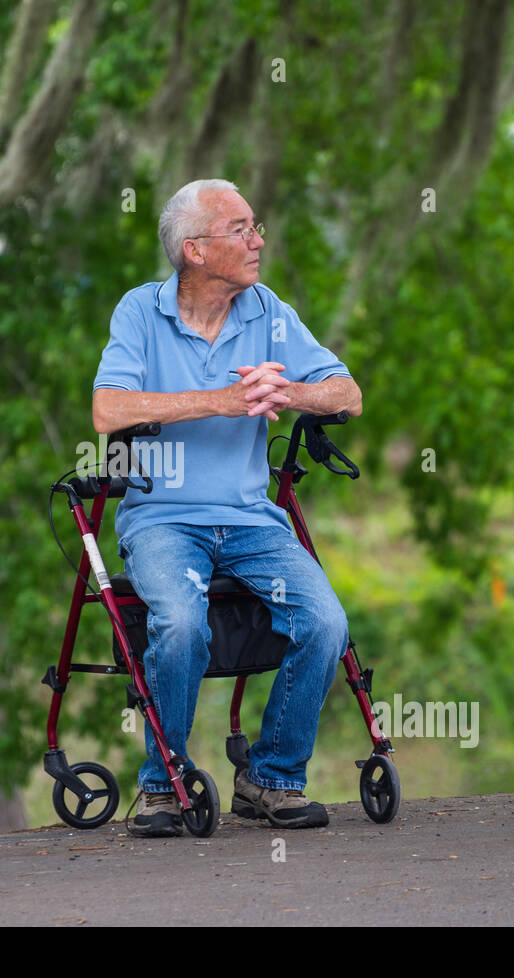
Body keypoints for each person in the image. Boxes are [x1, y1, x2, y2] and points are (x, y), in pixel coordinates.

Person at [92, 179, 362, 837]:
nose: (258, 240)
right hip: (162, 520)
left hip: (249, 520)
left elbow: (348, 394)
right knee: (181, 623)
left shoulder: (267, 310)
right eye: (241, 229)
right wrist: (220, 399)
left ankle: (271, 777)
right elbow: (109, 411)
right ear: (195, 250)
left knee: (326, 622)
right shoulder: (139, 312)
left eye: (255, 225)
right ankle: (162, 785)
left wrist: (290, 391)